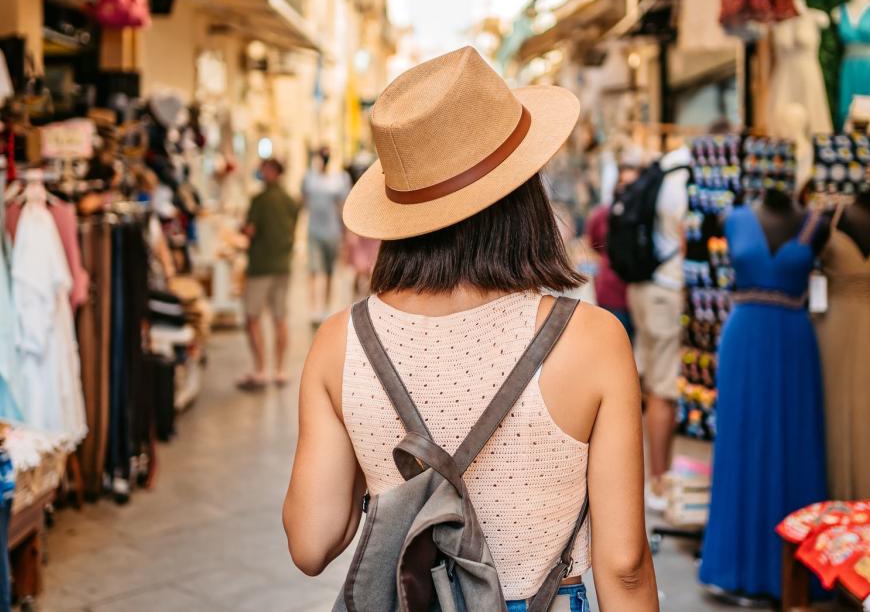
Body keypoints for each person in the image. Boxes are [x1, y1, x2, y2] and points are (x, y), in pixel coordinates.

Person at [283, 47, 657, 610]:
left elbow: (312, 544)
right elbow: (624, 566)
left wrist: (381, 460)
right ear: (523, 195)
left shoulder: (343, 341)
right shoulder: (591, 339)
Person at [626, 142, 691, 515]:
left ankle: (655, 476)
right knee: (664, 390)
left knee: (651, 385)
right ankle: (658, 482)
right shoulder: (682, 183)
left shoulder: (661, 171)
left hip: (646, 289)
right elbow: (685, 240)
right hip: (667, 292)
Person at [239, 158, 299, 389]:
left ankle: (261, 369)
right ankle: (280, 369)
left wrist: (242, 229)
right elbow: (293, 226)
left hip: (261, 266)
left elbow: (250, 230)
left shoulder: (260, 200)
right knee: (280, 318)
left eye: (263, 168)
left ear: (270, 171)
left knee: (252, 317)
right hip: (283, 265)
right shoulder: (289, 199)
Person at [585, 165, 638, 339]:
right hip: (611, 292)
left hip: (639, 293)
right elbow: (593, 243)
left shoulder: (644, 216)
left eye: (632, 183)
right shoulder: (602, 215)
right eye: (622, 182)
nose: (626, 188)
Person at [302, 147, 351, 326]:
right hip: (314, 231)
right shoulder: (309, 178)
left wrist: (347, 233)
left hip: (332, 232)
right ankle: (314, 309)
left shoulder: (339, 180)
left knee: (329, 271)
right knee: (314, 270)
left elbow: (342, 206)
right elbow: (304, 202)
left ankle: (325, 308)